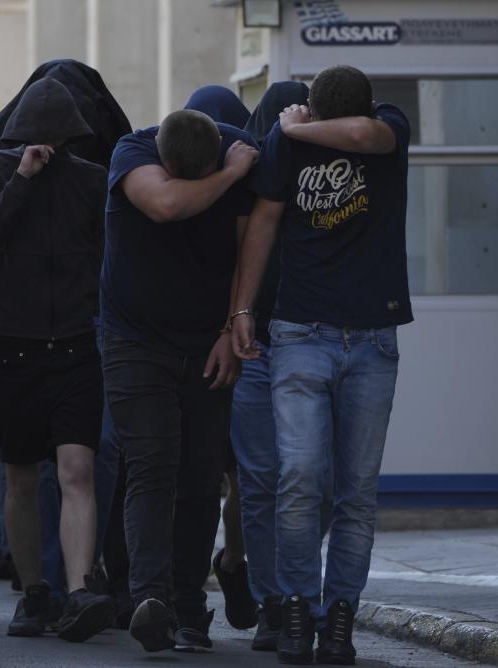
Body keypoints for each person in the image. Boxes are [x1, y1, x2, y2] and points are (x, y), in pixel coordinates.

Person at [231, 65, 412, 666]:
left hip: (372, 341)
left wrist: (296, 130)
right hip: (300, 332)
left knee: (356, 492)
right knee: (300, 478)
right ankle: (298, 610)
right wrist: (243, 309)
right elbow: (263, 223)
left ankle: (341, 617)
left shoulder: (388, 127)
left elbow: (364, 138)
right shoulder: (287, 144)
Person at [100, 106, 258, 654]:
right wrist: (230, 175)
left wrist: (230, 324)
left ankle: (190, 608)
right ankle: (153, 600)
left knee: (199, 477)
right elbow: (165, 205)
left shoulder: (243, 153)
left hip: (207, 341)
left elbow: (248, 250)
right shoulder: (133, 151)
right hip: (135, 342)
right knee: (151, 467)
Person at [0, 78, 115, 642]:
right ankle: (34, 593)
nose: (48, 146)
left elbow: (107, 254)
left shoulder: (90, 180)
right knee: (20, 476)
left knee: (76, 470)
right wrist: (21, 179)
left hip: (76, 343)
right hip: (13, 346)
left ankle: (77, 591)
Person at [233, 80, 331, 654]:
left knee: (306, 483)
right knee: (263, 481)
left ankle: (288, 593)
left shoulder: (323, 175)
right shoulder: (245, 175)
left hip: (307, 344)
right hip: (258, 347)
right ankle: (276, 603)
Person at [182, 85, 259, 636]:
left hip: (208, 342)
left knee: (212, 474)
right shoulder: (248, 180)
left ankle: (218, 570)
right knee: (236, 475)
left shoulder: (179, 178)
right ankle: (230, 563)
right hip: (236, 338)